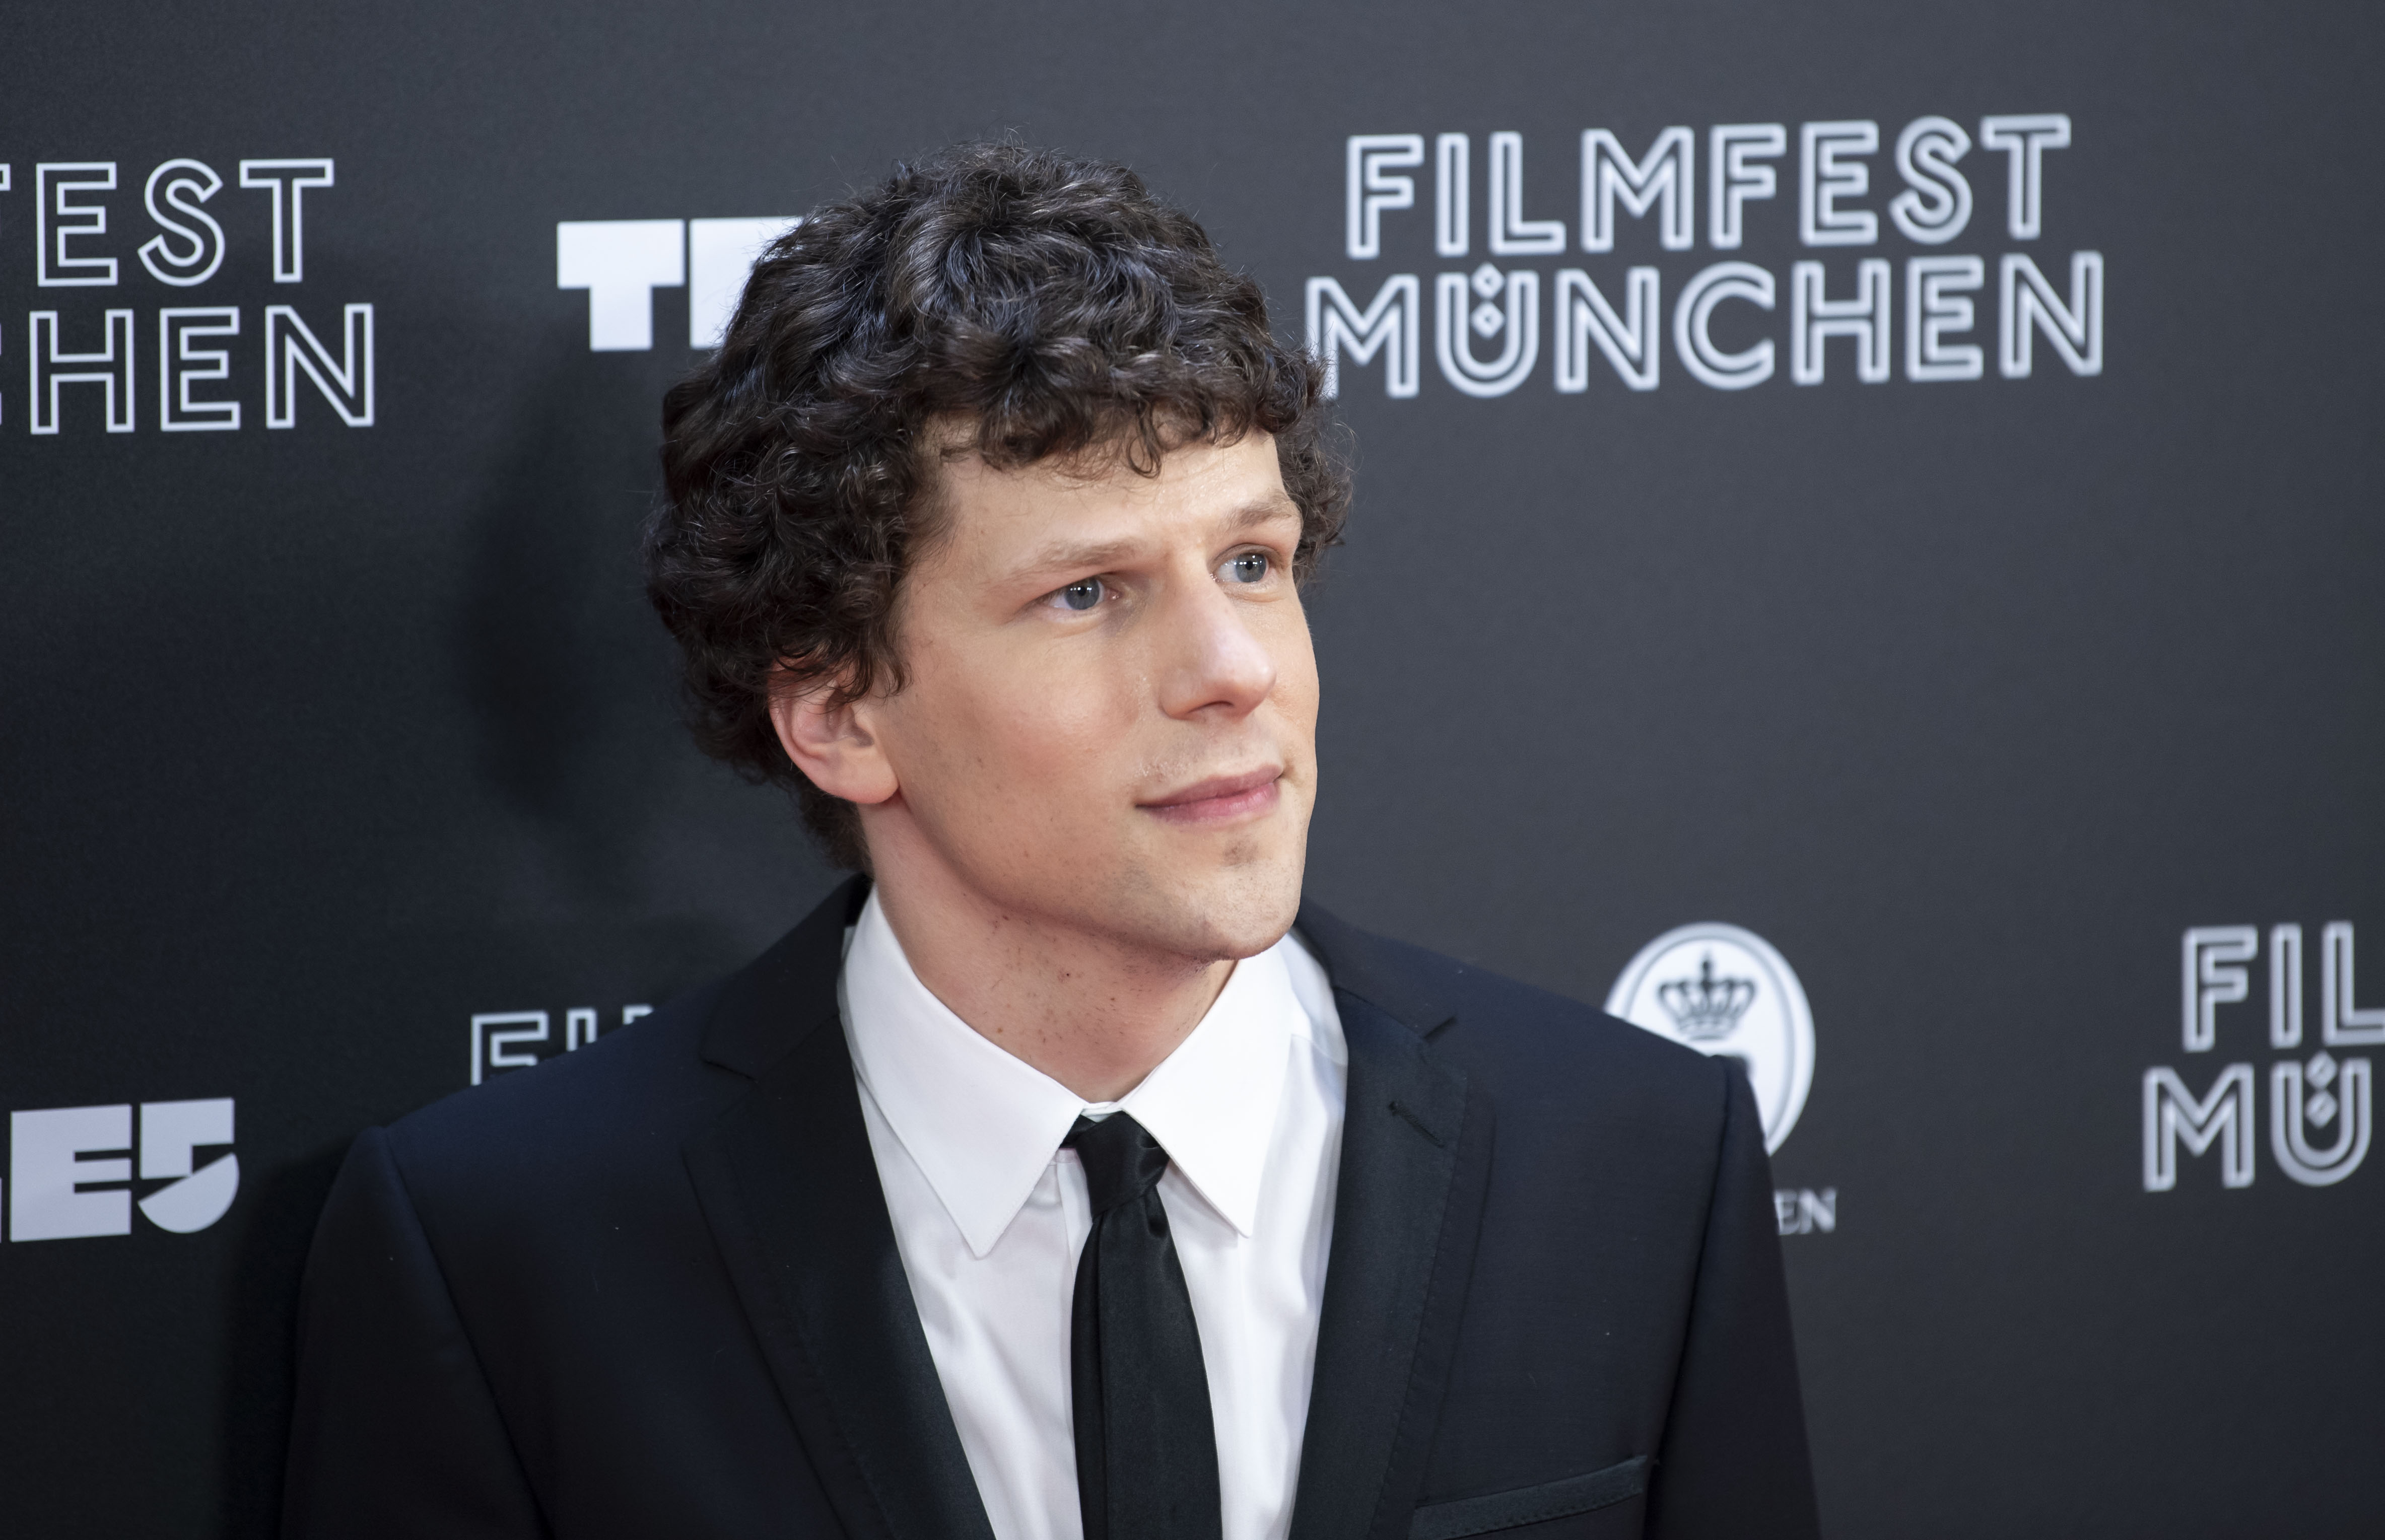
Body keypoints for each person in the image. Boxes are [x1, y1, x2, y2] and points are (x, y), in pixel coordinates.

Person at [281, 143, 1819, 1540]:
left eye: (1253, 561)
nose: (1234, 669)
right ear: (841, 713)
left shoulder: (1636, 1159)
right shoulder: (500, 1255)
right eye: (1088, 593)